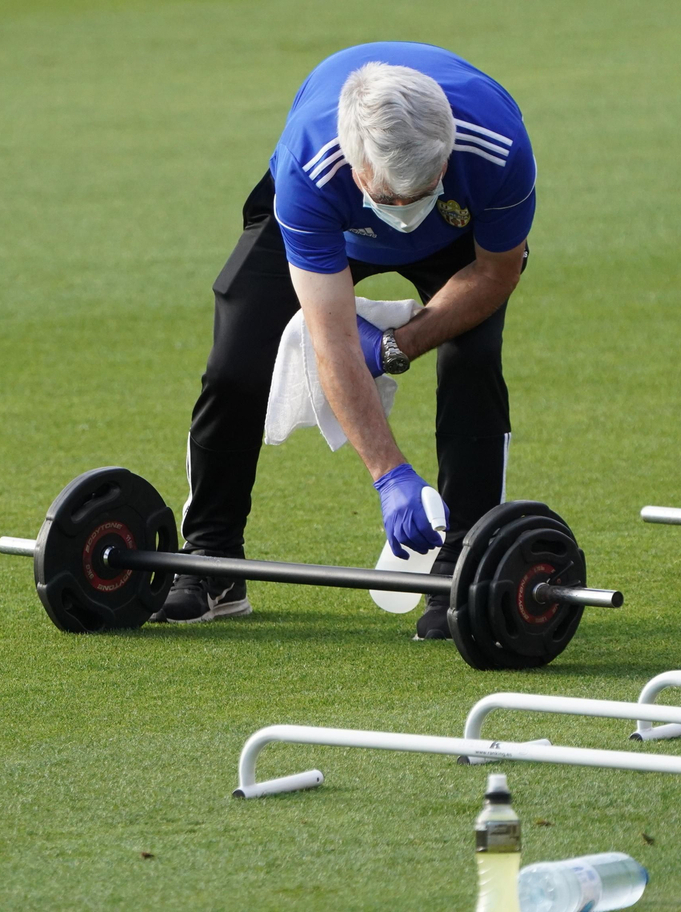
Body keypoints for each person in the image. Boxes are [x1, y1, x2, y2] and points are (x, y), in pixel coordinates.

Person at [159, 42, 535, 639]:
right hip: (334, 221)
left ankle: (465, 567)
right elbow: (330, 340)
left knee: (473, 361)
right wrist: (390, 475)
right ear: (361, 170)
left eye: (426, 187)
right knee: (235, 362)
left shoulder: (497, 146)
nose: (407, 210)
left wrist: (396, 346)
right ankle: (211, 561)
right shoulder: (311, 168)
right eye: (392, 198)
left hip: (459, 239)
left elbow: (495, 272)